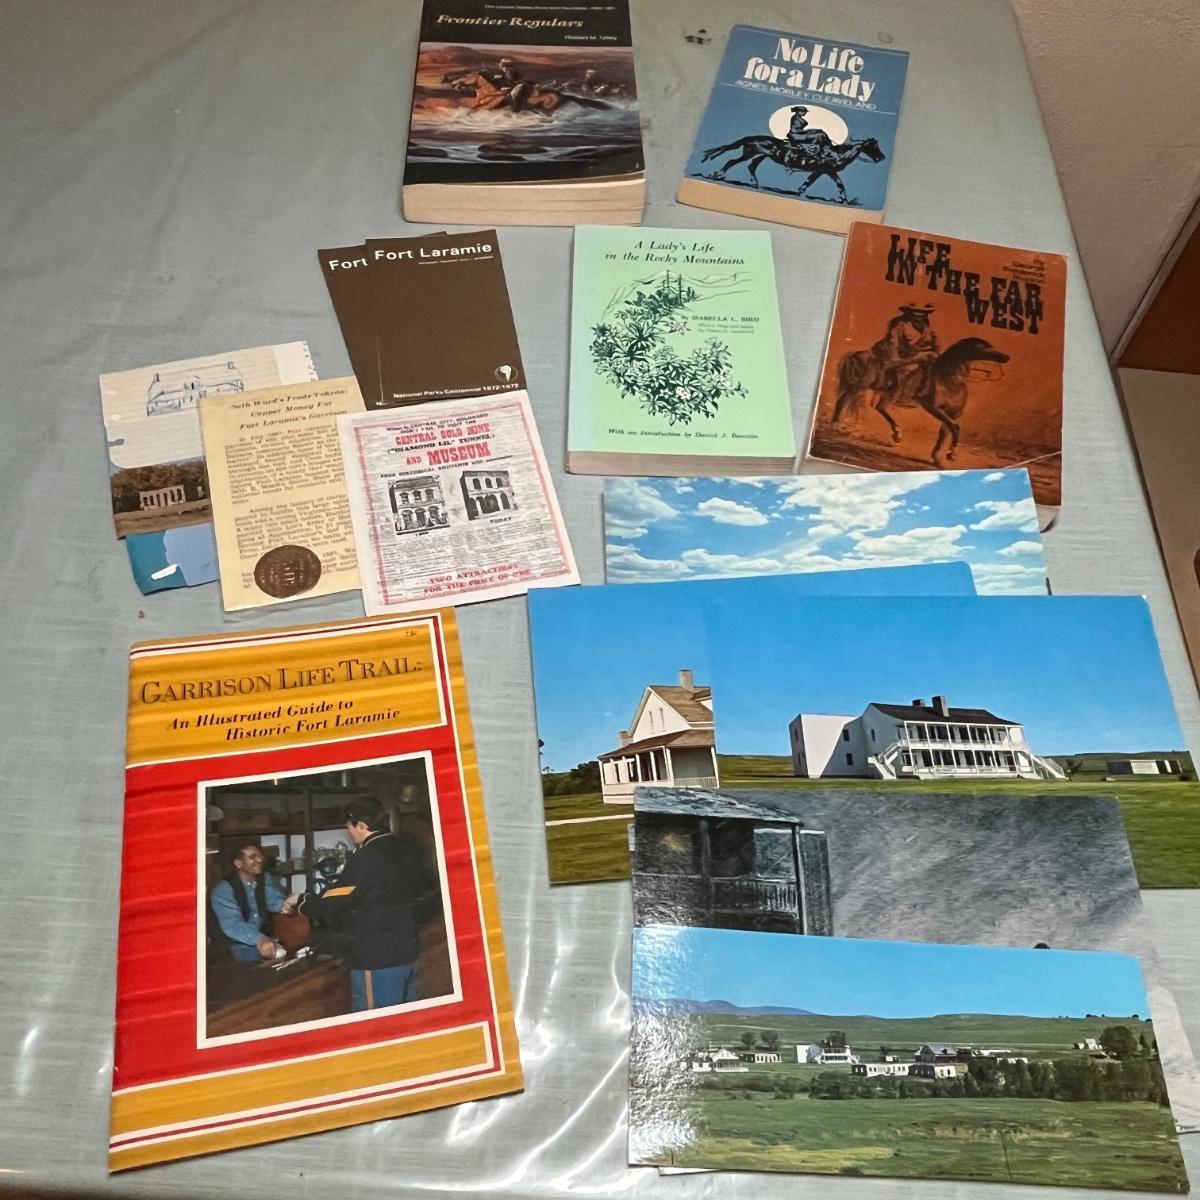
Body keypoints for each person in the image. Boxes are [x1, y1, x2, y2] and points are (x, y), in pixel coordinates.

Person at [283, 796, 437, 1012]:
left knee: (378, 1025)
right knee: (406, 1021)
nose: (348, 832)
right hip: (407, 953)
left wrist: (301, 900)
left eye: (349, 826)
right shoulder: (407, 848)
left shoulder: (365, 857)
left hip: (378, 960)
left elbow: (333, 901)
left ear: (362, 826)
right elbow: (426, 891)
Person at [210, 842, 286, 962]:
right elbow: (233, 924)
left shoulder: (264, 879)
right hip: (231, 948)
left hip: (259, 942)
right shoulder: (223, 890)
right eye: (252, 857)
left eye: (259, 856)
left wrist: (285, 905)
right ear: (238, 864)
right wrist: (259, 939)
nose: (260, 859)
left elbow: (273, 901)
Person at [871, 303, 941, 393]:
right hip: (903, 358)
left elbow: (936, 345)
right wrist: (897, 359)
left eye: (923, 314)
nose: (919, 317)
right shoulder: (899, 327)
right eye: (916, 313)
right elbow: (893, 345)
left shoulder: (927, 328)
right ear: (909, 314)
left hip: (924, 358)